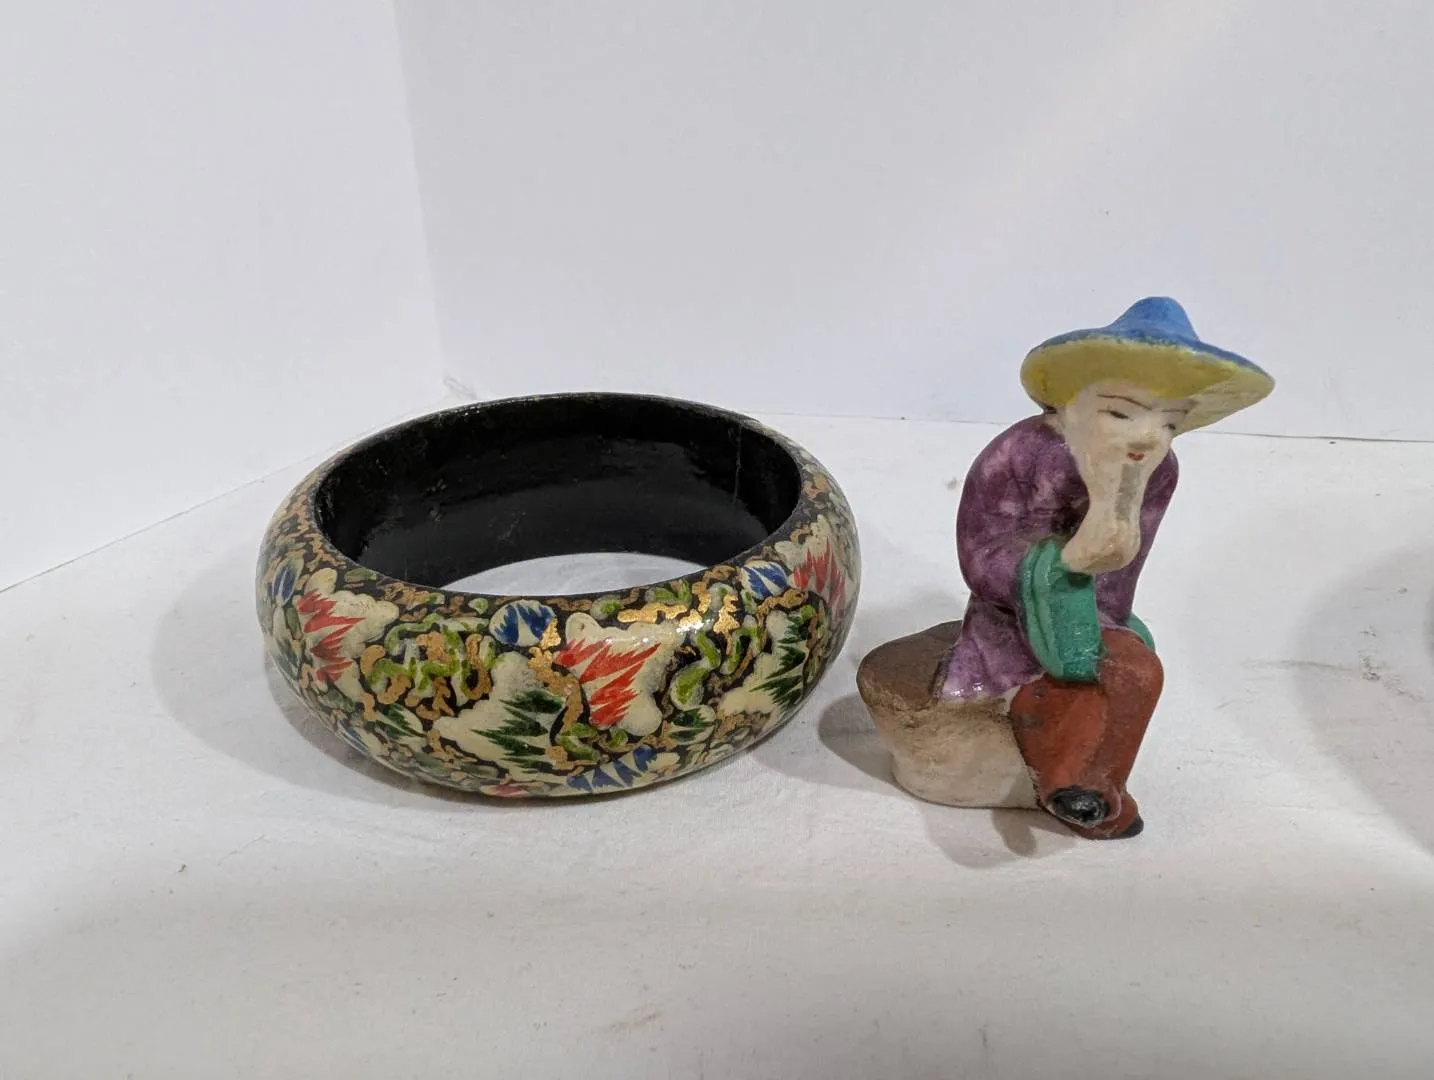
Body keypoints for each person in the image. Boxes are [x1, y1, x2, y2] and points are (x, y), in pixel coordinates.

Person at [940, 297, 1273, 838]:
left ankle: (1086, 786)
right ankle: (1084, 788)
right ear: (1072, 401)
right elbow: (979, 555)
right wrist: (1062, 564)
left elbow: (1122, 579)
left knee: (1136, 664)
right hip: (1011, 614)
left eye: (1169, 422)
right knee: (1125, 672)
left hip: (1093, 609)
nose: (1148, 436)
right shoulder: (1021, 452)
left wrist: (1102, 611)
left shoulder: (1158, 470)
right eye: (1121, 413)